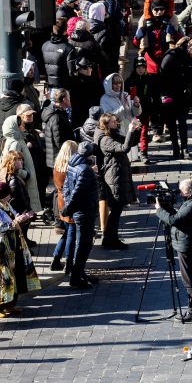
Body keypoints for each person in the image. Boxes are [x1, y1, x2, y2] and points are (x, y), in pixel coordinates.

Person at [155, 179, 192, 323]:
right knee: (191, 276)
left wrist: (159, 210)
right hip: (187, 242)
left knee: (189, 279)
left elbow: (174, 220)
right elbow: (180, 217)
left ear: (187, 191)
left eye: (181, 191)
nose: (180, 193)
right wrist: (167, 208)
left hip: (187, 245)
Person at [0, 181, 39, 317]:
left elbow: (12, 217)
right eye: (8, 196)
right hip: (0, 248)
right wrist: (16, 222)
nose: (10, 198)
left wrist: (22, 217)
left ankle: (10, 304)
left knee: (13, 275)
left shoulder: (5, 204)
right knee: (0, 277)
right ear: (2, 196)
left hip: (12, 247)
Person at [95, 113, 140, 250]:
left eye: (116, 121)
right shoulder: (105, 140)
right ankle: (110, 239)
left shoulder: (112, 135)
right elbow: (124, 148)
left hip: (117, 176)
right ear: (106, 124)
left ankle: (109, 238)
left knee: (117, 210)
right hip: (113, 178)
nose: (116, 124)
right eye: (113, 122)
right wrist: (131, 131)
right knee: (115, 210)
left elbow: (131, 142)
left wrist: (136, 130)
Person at [61, 142, 100, 289]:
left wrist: (67, 203)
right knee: (85, 244)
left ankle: (80, 272)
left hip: (78, 210)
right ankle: (76, 277)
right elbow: (79, 192)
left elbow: (67, 187)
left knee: (81, 243)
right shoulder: (85, 170)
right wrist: (69, 208)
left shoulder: (72, 164)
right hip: (84, 211)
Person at [50, 140, 78, 274]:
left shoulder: (57, 166)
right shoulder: (70, 168)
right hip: (70, 202)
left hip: (60, 201)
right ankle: (69, 262)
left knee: (67, 232)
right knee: (71, 233)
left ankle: (56, 258)